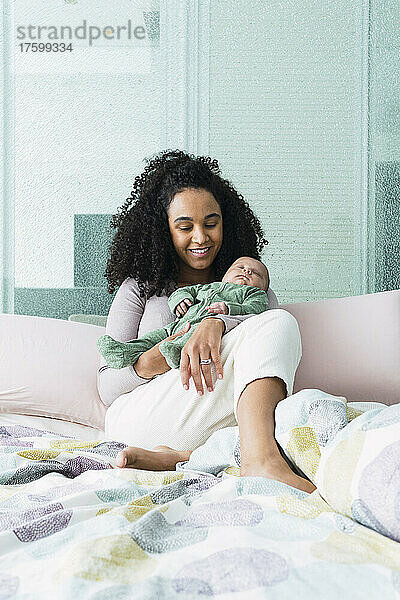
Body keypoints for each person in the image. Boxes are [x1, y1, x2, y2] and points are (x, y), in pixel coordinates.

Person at [98, 149, 316, 494]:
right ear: (163, 230)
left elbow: (267, 346)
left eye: (211, 224)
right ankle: (260, 460)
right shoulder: (139, 288)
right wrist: (159, 356)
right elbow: (106, 388)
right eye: (185, 227)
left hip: (218, 414)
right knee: (278, 325)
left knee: (279, 324)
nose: (201, 238)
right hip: (145, 414)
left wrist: (214, 324)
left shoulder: (246, 281)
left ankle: (183, 457)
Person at [96, 257, 270, 370]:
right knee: (152, 338)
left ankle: (178, 351)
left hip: (198, 328)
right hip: (177, 325)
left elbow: (257, 308)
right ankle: (125, 350)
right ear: (225, 274)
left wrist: (229, 309)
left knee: (192, 335)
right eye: (240, 267)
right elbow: (182, 292)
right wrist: (180, 301)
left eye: (256, 274)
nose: (247, 271)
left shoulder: (254, 294)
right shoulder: (207, 287)